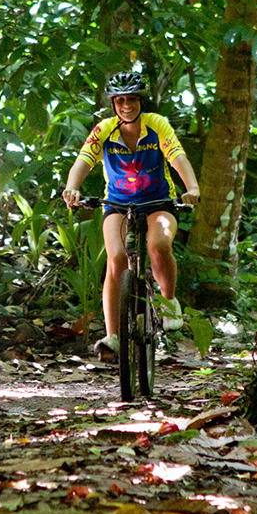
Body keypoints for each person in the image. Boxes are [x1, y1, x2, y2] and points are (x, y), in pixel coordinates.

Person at [61, 71, 200, 357]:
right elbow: (83, 161)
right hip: (118, 203)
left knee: (158, 245)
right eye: (120, 100)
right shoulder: (104, 129)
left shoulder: (156, 124)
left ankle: (169, 301)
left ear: (141, 101)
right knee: (116, 259)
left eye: (132, 99)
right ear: (113, 103)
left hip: (158, 201)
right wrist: (72, 187)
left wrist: (192, 188)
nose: (127, 105)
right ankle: (113, 335)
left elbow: (177, 157)